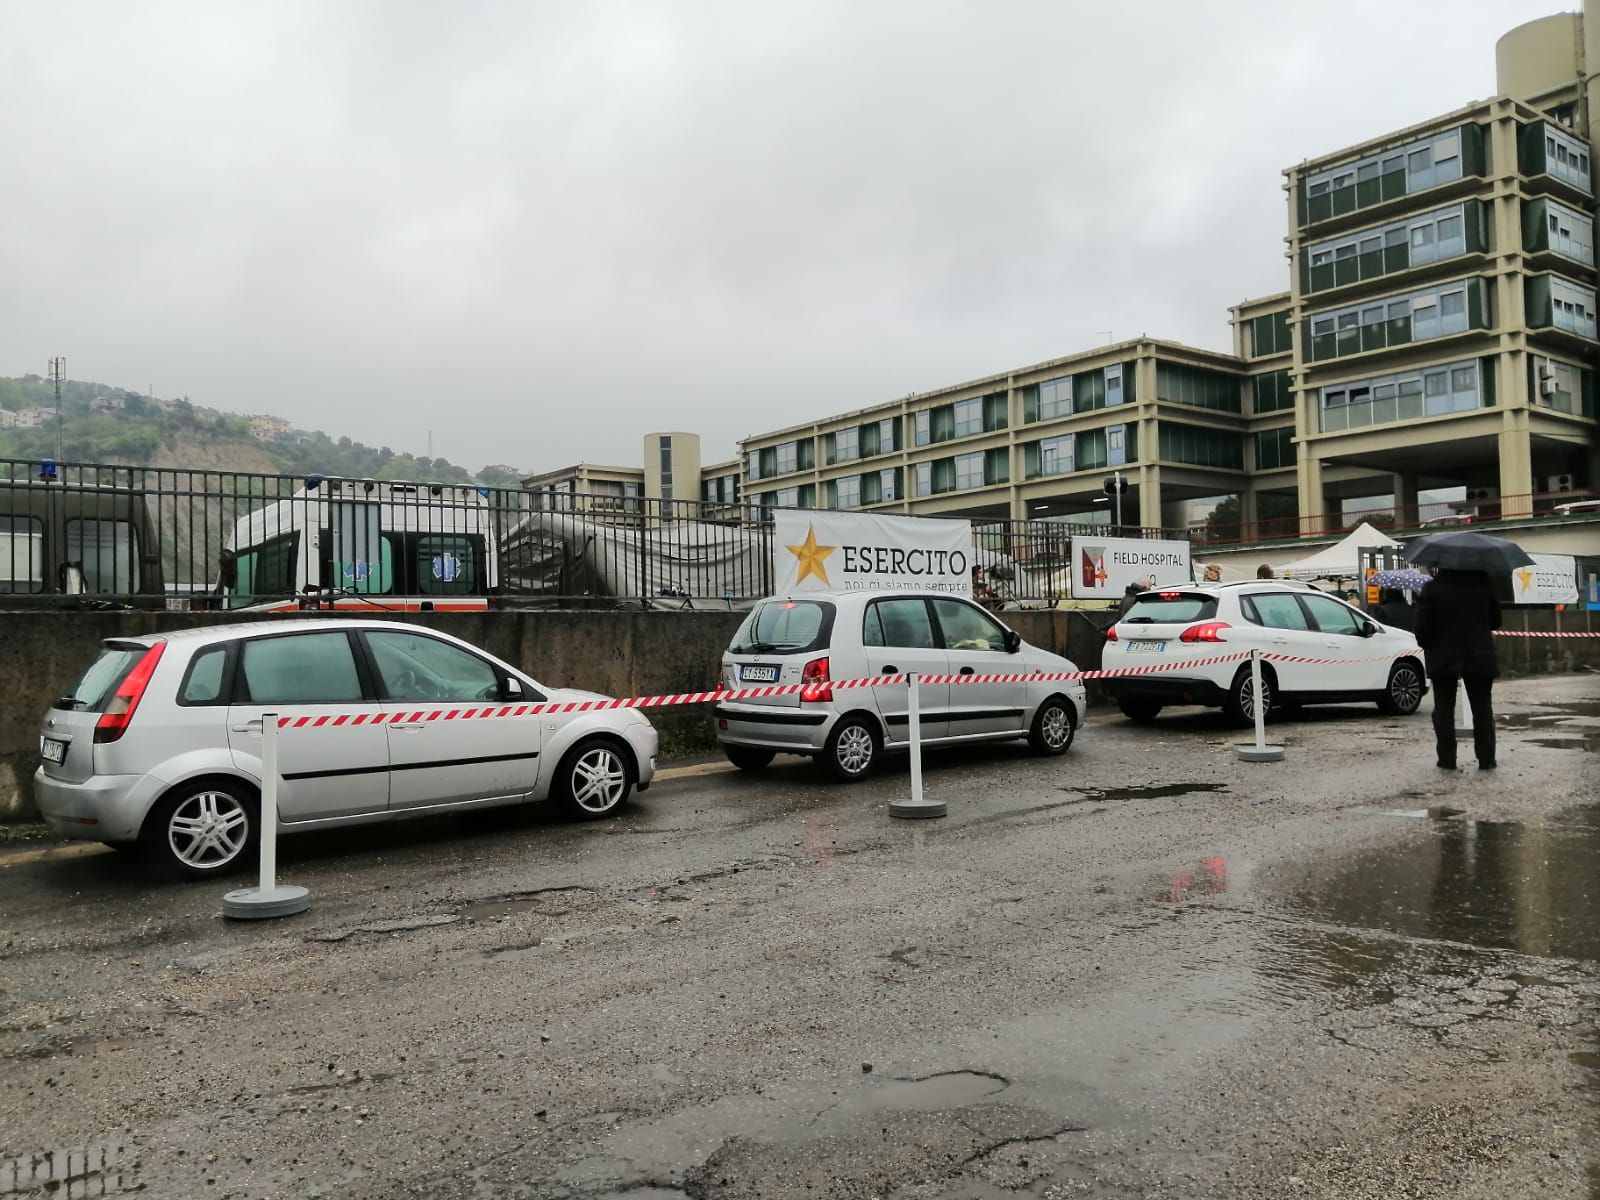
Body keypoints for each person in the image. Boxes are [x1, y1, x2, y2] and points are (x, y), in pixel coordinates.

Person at [1414, 568, 1501, 770]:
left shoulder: (1432, 589)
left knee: (1443, 709)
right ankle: (1487, 758)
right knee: (1482, 709)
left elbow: (1422, 627)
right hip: (1479, 653)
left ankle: (1447, 759)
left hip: (1443, 656)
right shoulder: (1483, 585)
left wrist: (1428, 644)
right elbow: (1497, 621)